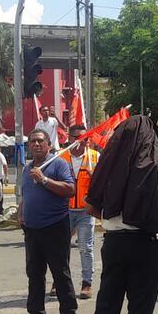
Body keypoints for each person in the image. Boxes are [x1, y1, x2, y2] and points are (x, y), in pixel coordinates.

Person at [77, 115, 158, 314]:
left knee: (107, 305)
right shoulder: (156, 170)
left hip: (114, 243)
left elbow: (91, 207)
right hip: (145, 244)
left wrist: (114, 219)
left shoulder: (106, 169)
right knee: (140, 309)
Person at [16, 129, 80, 314]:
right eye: (32, 141)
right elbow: (26, 195)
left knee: (60, 273)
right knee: (34, 273)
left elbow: (70, 190)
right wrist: (21, 212)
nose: (36, 144)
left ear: (49, 145)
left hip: (55, 226)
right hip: (32, 229)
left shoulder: (58, 164)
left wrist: (44, 179)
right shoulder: (27, 169)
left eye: (40, 141)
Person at [60, 123, 99, 299]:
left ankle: (87, 283)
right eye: (76, 137)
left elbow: (103, 184)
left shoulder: (95, 157)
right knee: (60, 248)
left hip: (85, 210)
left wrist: (95, 178)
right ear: (69, 138)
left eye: (83, 138)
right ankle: (59, 280)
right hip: (64, 209)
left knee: (86, 248)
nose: (79, 141)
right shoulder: (61, 157)